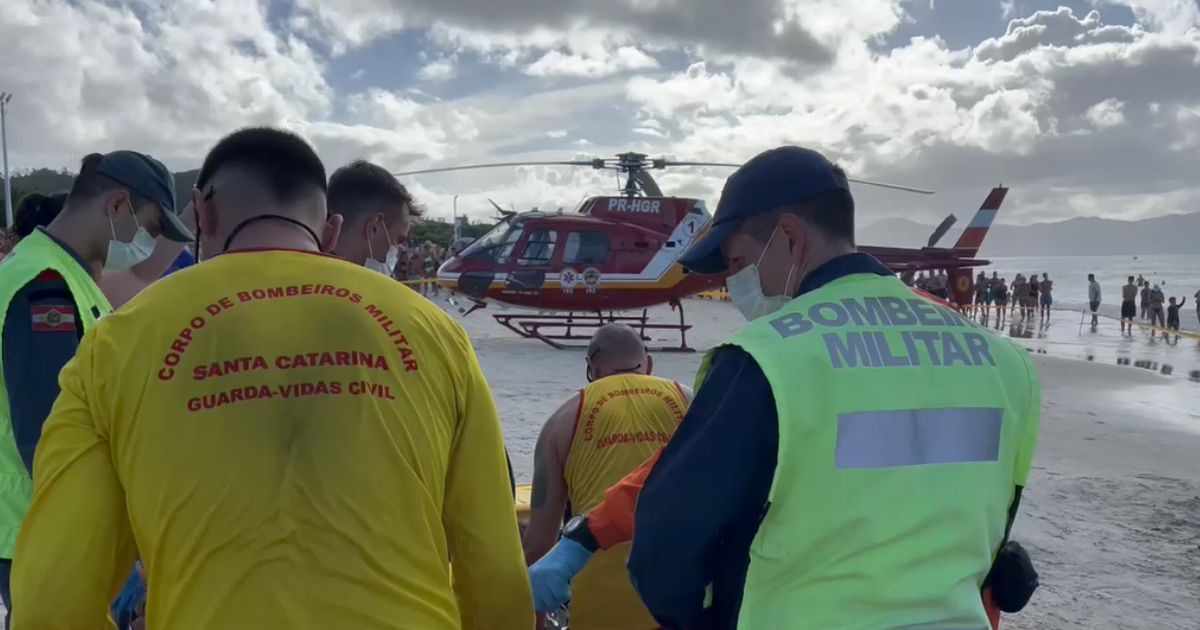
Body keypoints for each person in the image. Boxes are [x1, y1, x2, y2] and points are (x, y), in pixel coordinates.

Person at [10, 127, 533, 630]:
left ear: (202, 212)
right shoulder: (433, 332)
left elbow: (52, 602)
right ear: (329, 232)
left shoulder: (118, 342)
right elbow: (495, 571)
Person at [608, 146, 1041, 628]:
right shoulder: (1005, 362)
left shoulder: (766, 358)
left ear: (789, 237)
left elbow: (666, 543)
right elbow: (993, 522)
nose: (735, 286)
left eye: (737, 264)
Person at [0, 150, 193, 626]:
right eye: (150, 227)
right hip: (41, 526)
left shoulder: (64, 273)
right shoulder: (45, 287)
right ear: (117, 205)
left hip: (52, 522)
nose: (149, 242)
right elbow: (48, 432)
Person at [523, 323, 691, 629]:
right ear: (649, 364)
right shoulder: (692, 402)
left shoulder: (562, 421)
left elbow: (538, 546)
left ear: (592, 368)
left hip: (599, 605)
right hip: (683, 600)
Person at [327, 159, 422, 275]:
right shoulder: (380, 292)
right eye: (398, 240)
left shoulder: (302, 278)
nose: (397, 249)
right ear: (374, 228)